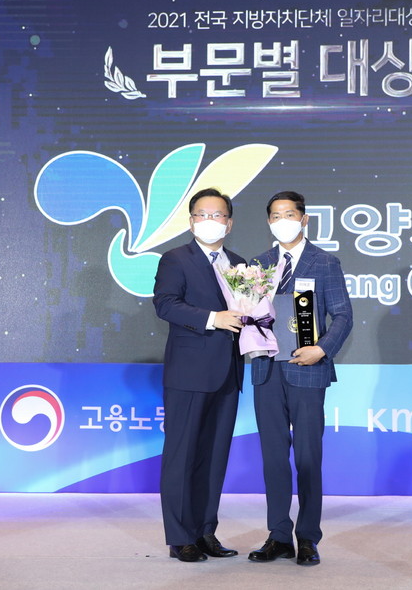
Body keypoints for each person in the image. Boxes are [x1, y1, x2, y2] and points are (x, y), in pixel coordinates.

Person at [247, 191, 353, 566]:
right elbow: (249, 313)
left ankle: (307, 537)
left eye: (289, 214)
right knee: (273, 457)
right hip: (267, 369)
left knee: (308, 457)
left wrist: (320, 349)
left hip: (307, 368)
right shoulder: (258, 264)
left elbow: (343, 315)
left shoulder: (324, 262)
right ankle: (278, 535)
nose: (283, 221)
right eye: (276, 216)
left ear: (304, 219)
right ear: (269, 222)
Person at [153, 188, 246, 563]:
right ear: (191, 221)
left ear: (229, 223)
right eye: (202, 214)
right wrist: (213, 319)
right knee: (182, 456)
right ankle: (180, 537)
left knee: (214, 456)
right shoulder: (176, 259)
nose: (210, 221)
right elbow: (166, 304)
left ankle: (206, 531)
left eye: (218, 215)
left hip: (228, 372)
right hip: (189, 372)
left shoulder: (239, 265)